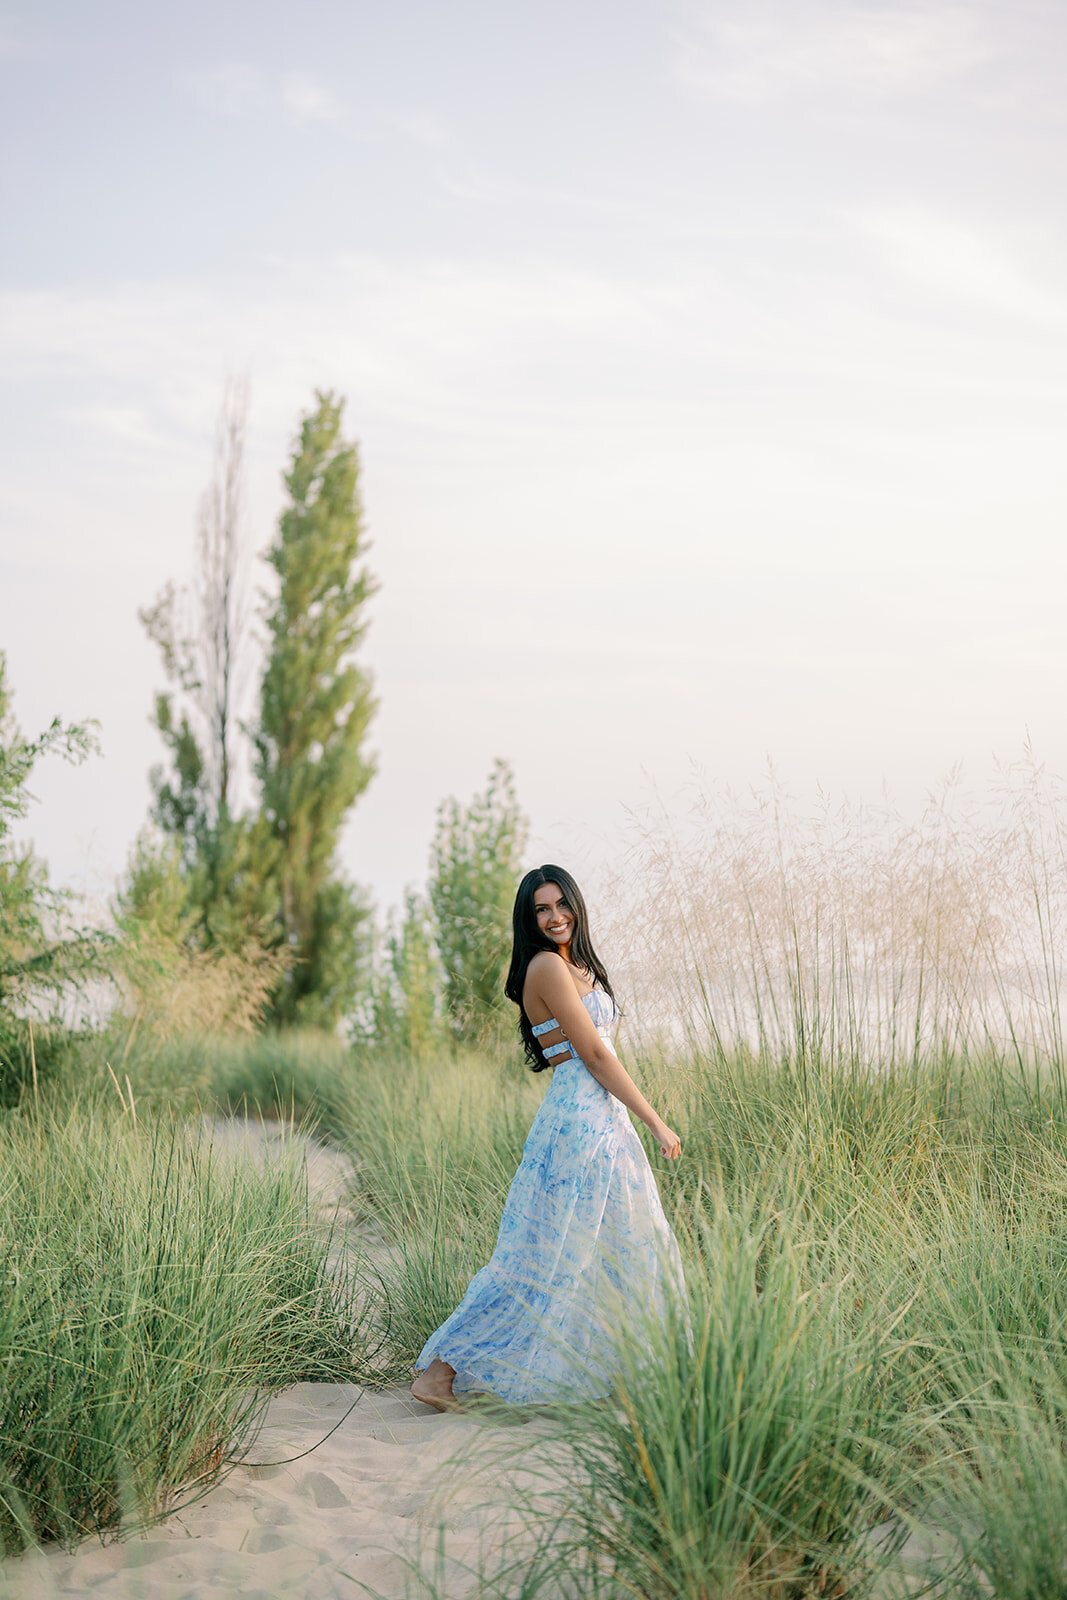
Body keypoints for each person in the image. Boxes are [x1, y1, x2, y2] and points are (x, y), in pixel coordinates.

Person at [411, 864, 683, 1411]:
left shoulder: (575, 966)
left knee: (621, 1249)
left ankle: (632, 1379)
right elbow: (597, 1055)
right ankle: (436, 1374)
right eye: (542, 908)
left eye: (562, 904)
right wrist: (656, 1119)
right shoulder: (546, 968)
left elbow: (601, 1051)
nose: (555, 916)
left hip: (603, 1122)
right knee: (538, 1255)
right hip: (580, 1125)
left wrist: (631, 1122)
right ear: (529, 919)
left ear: (576, 906)